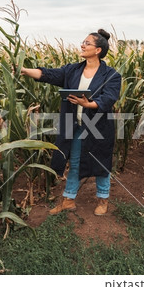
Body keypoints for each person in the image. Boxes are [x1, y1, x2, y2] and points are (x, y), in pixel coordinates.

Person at [21, 29, 122, 216]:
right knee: (74, 162)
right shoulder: (73, 70)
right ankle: (68, 200)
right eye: (83, 42)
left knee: (101, 164)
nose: (82, 45)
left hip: (98, 127)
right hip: (75, 126)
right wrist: (24, 70)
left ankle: (103, 199)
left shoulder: (111, 75)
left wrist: (88, 104)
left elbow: (109, 98)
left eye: (87, 43)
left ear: (98, 50)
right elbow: (49, 75)